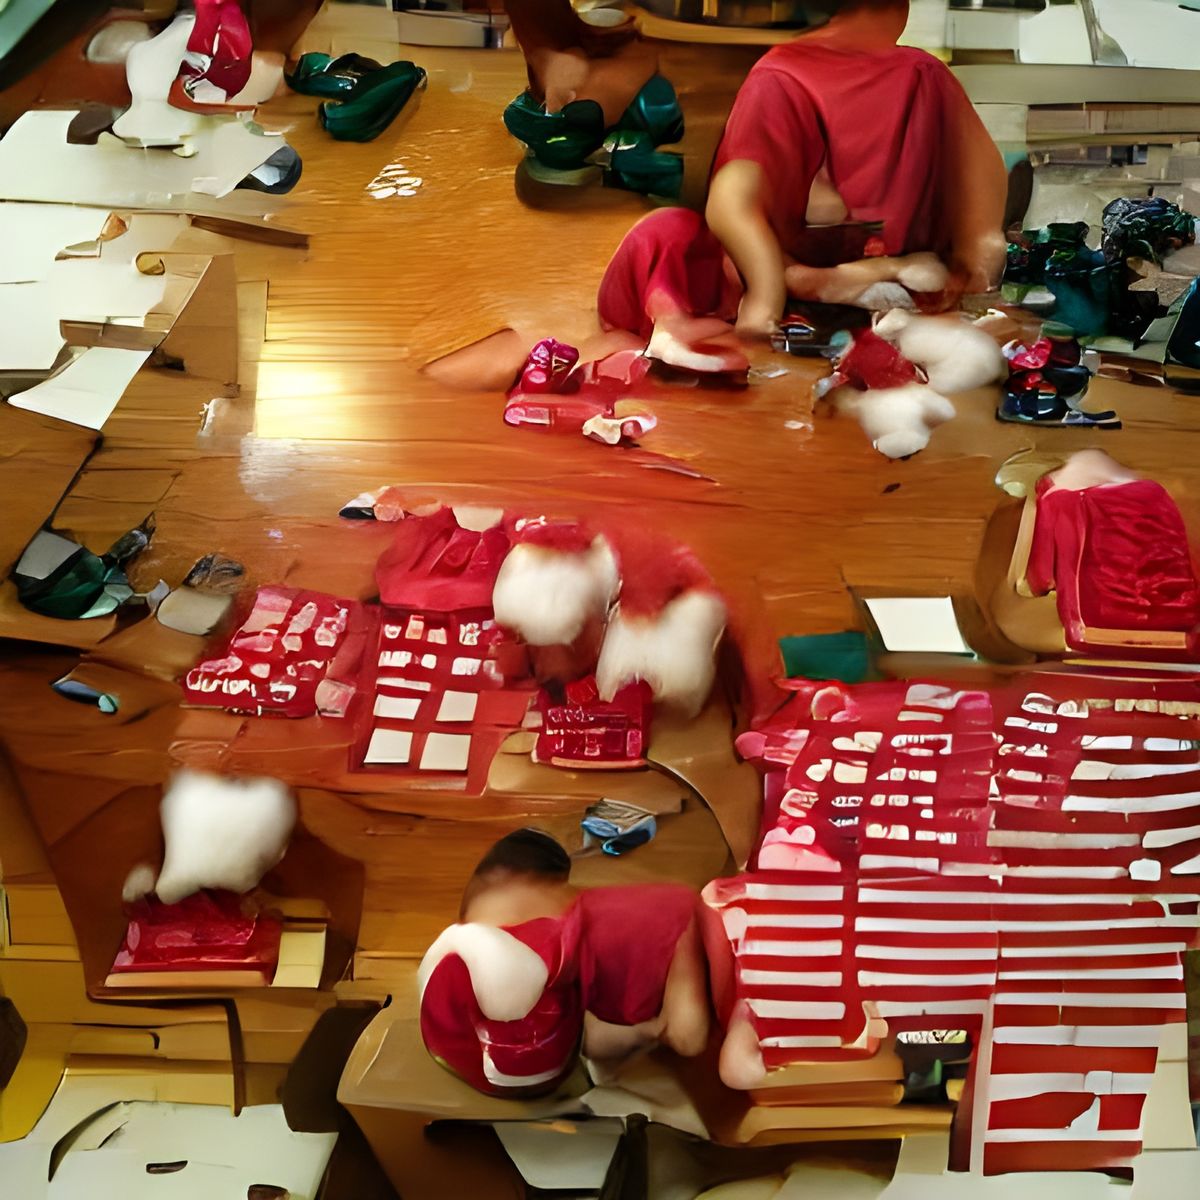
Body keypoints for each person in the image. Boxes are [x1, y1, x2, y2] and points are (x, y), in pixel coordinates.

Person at [597, 0, 1009, 370]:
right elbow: (733, 204)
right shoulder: (792, 75)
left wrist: (975, 262)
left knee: (670, 235)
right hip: (801, 276)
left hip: (841, 282)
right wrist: (767, 292)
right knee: (667, 234)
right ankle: (673, 326)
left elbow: (979, 193)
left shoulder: (918, 74)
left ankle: (681, 323)